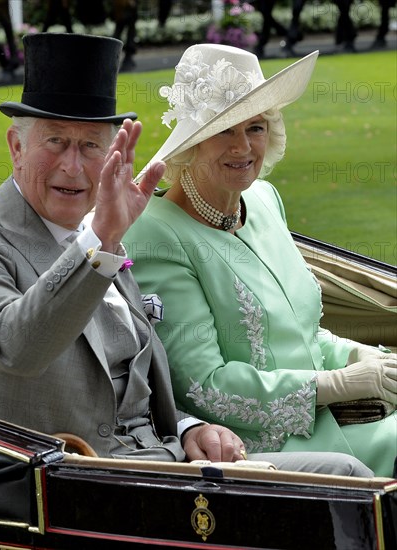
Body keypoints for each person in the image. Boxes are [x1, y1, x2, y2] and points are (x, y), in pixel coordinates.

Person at [0, 33, 373, 477]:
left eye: (91, 147)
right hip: (62, 482)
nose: (73, 166)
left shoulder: (97, 236)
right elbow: (18, 347)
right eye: (56, 142)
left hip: (161, 459)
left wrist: (189, 428)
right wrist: (99, 242)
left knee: (346, 473)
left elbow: (131, 385)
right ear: (16, 146)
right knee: (347, 480)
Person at [123, 43, 397, 478]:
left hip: (343, 413)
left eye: (255, 127)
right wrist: (337, 384)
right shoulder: (154, 233)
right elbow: (203, 386)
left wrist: (355, 355)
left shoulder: (264, 199)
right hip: (257, 442)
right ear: (191, 143)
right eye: (224, 130)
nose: (243, 146)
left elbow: (297, 335)